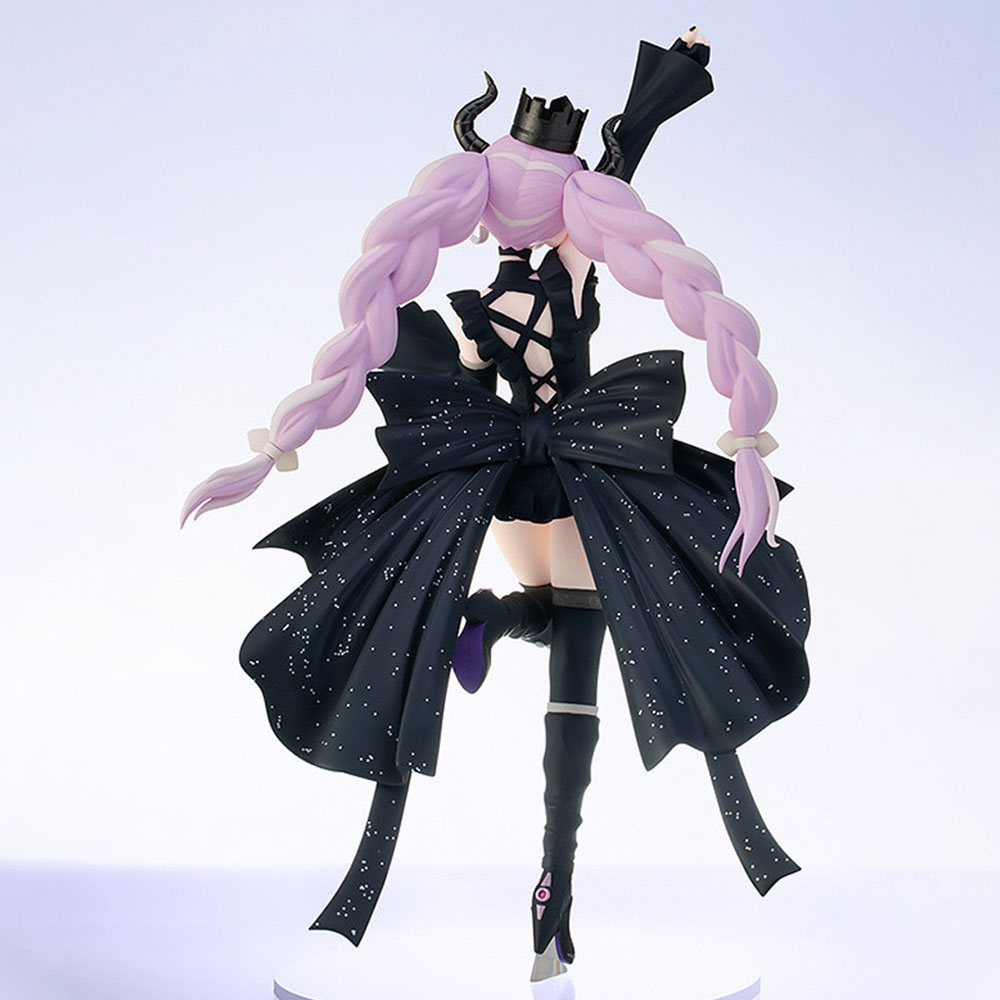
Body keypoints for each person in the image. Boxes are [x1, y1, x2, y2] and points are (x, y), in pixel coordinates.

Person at [182, 28, 810, 982]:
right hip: (589, 480)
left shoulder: (483, 309)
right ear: (569, 210)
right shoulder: (576, 269)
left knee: (560, 614)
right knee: (633, 635)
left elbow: (467, 385)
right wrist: (671, 79)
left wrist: (282, 451)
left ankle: (486, 618)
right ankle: (555, 895)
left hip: (511, 496)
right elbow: (619, 175)